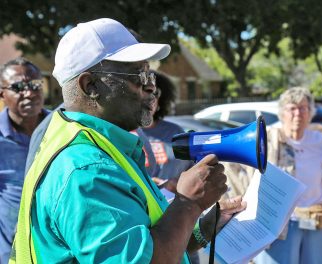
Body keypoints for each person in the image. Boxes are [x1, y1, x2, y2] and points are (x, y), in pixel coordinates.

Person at [10, 18, 245, 263]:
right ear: (91, 85)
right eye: (138, 76)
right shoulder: (87, 170)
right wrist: (188, 203)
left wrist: (202, 230)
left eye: (150, 75)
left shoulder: (98, 146)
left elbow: (147, 241)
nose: (150, 87)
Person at [254, 87, 322, 264]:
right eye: (292, 108)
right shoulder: (269, 138)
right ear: (282, 113)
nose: (298, 113)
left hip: (314, 218)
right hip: (279, 221)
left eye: (303, 108)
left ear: (310, 113)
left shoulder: (318, 140)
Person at [0, 57, 49, 263]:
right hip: (14, 253)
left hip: (59, 249)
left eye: (35, 85)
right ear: (2, 93)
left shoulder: (63, 129)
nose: (29, 93)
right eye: (18, 87)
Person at [134, 71, 193, 193]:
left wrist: (177, 184)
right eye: (143, 92)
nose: (150, 98)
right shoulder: (123, 133)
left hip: (174, 202)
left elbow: (192, 169)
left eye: (154, 93)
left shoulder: (175, 132)